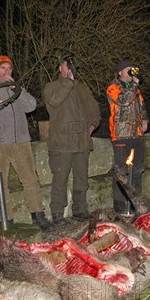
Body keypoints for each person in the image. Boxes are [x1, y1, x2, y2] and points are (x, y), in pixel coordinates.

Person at [0, 55, 54, 231]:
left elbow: (31, 106)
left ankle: (38, 215)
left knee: (30, 179)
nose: (6, 71)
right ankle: (6, 219)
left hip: (21, 141)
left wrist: (16, 88)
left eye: (9, 68)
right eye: (2, 68)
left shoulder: (16, 89)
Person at [42, 53, 100, 227]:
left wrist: (92, 124)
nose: (70, 69)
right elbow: (54, 101)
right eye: (67, 65)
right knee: (60, 178)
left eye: (72, 66)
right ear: (60, 68)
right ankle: (57, 212)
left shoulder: (81, 88)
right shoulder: (51, 87)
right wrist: (68, 81)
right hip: (62, 142)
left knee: (82, 177)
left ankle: (80, 209)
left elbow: (94, 107)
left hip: (81, 141)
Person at [106, 59, 148, 215]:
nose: (131, 72)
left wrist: (145, 120)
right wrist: (135, 85)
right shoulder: (112, 88)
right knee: (121, 171)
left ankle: (136, 201)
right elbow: (123, 100)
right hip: (121, 136)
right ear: (120, 72)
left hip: (136, 135)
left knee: (137, 170)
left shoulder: (135, 89)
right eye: (128, 69)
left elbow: (142, 106)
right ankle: (119, 203)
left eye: (133, 69)